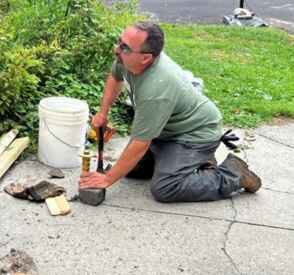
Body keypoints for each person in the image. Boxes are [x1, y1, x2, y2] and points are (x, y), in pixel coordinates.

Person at [78, 21, 261, 202]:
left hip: (195, 133)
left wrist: (107, 179)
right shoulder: (126, 59)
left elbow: (140, 144)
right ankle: (193, 162)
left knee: (165, 188)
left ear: (146, 58)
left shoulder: (155, 90)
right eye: (120, 41)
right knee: (132, 170)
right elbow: (115, 77)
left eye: (125, 47)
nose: (117, 49)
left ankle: (233, 173)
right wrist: (103, 113)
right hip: (165, 128)